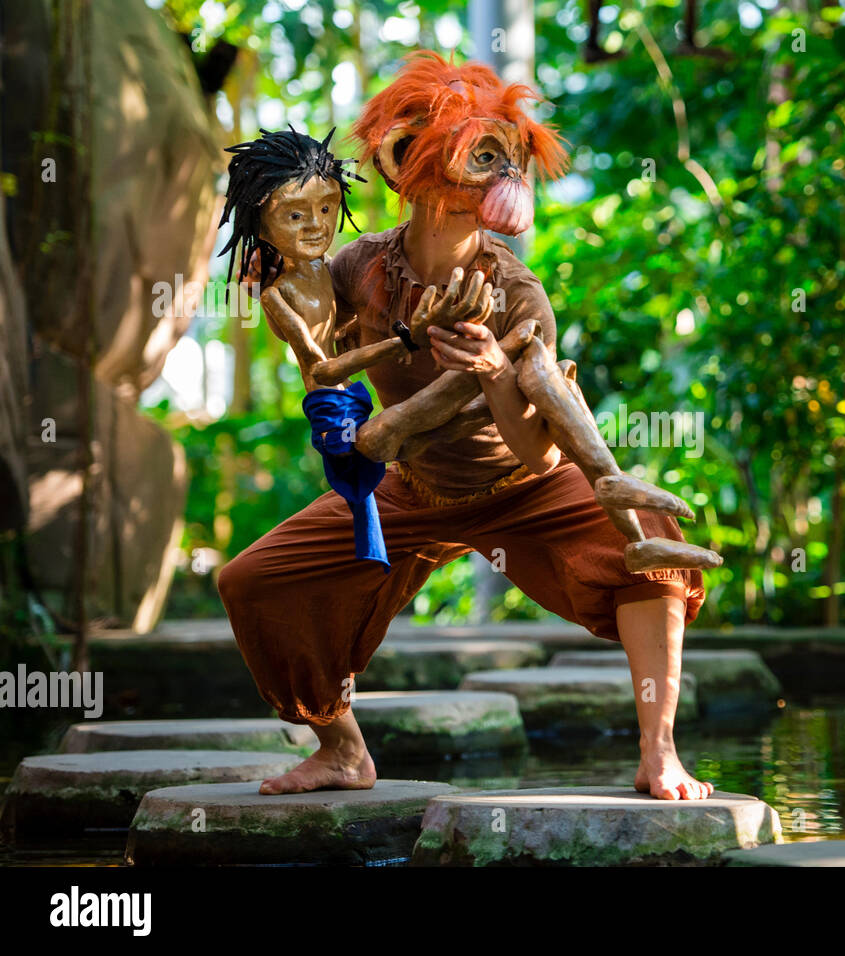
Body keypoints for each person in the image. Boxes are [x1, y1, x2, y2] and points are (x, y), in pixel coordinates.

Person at [218, 52, 715, 800]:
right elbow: (325, 368)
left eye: (495, 163)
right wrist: (280, 271)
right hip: (412, 487)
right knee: (253, 580)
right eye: (465, 163)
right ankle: (342, 749)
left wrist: (488, 370)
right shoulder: (360, 266)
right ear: (406, 169)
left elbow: (534, 445)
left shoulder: (518, 295)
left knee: (654, 554)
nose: (478, 187)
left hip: (525, 485)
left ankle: (659, 753)